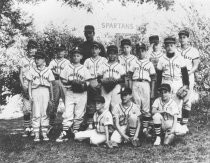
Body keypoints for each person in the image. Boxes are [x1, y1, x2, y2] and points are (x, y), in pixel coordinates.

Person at [56, 47, 91, 142]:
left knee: (79, 112)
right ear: (71, 57)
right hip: (70, 92)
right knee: (68, 112)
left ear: (81, 57)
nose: (76, 57)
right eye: (74, 55)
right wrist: (71, 82)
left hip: (81, 93)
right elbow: (62, 79)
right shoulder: (67, 67)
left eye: (78, 55)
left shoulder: (84, 68)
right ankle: (65, 131)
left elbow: (88, 81)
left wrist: (82, 86)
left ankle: (75, 129)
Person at [156, 37, 190, 132]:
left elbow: (185, 74)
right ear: (165, 47)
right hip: (166, 82)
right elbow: (158, 75)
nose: (170, 47)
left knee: (177, 104)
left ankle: (177, 125)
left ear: (175, 46)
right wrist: (158, 88)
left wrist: (186, 86)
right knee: (166, 103)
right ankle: (166, 125)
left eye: (171, 45)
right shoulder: (162, 59)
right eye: (167, 46)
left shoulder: (180, 58)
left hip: (177, 82)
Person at [26, 51, 55, 142]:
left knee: (44, 111)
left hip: (45, 91)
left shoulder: (48, 70)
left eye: (39, 58)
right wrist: (30, 95)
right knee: (36, 112)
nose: (37, 60)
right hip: (35, 91)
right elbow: (30, 84)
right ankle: (36, 134)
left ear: (43, 59)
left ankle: (44, 133)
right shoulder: (32, 70)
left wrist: (52, 97)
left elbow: (50, 84)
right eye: (36, 58)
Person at [130, 43, 156, 138]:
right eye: (139, 51)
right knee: (136, 106)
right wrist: (129, 88)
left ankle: (145, 130)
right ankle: (136, 129)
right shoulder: (133, 62)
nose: (141, 53)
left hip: (145, 84)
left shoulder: (149, 63)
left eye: (143, 51)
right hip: (135, 83)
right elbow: (129, 76)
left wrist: (152, 91)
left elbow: (153, 78)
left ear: (145, 52)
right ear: (136, 52)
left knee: (145, 107)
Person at [84, 41, 108, 129]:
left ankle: (101, 122)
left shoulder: (104, 60)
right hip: (90, 81)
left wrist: (101, 82)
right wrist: (89, 84)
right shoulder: (87, 61)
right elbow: (84, 74)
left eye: (96, 48)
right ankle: (90, 123)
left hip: (101, 82)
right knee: (91, 103)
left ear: (99, 50)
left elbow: (106, 72)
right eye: (92, 48)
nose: (94, 50)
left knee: (101, 102)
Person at [48, 44, 71, 131]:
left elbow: (67, 73)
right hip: (55, 82)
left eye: (62, 50)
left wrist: (57, 72)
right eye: (58, 50)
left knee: (67, 103)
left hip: (64, 83)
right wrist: (60, 73)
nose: (60, 52)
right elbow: (49, 71)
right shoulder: (53, 61)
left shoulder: (67, 62)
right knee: (54, 102)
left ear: (65, 52)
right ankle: (51, 124)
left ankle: (69, 124)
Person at [98, 45, 125, 111]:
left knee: (116, 105)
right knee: (105, 105)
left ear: (116, 55)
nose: (112, 55)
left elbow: (123, 78)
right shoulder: (103, 65)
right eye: (110, 53)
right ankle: (104, 120)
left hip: (116, 87)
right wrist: (104, 80)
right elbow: (98, 78)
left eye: (114, 54)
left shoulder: (119, 66)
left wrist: (115, 81)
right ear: (107, 54)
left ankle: (116, 120)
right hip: (104, 87)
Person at [19, 39, 37, 137]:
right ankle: (27, 128)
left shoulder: (39, 59)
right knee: (26, 108)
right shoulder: (23, 59)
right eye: (30, 48)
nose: (31, 50)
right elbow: (20, 75)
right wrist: (23, 86)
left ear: (36, 49)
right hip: (26, 85)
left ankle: (34, 128)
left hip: (35, 85)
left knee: (35, 107)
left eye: (34, 48)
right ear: (27, 49)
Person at [177, 29, 200, 103]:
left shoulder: (193, 50)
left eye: (184, 37)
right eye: (180, 37)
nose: (182, 39)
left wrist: (188, 73)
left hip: (189, 74)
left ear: (188, 38)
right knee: (178, 95)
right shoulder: (176, 50)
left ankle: (186, 114)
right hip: (178, 75)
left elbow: (196, 66)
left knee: (187, 99)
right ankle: (178, 114)